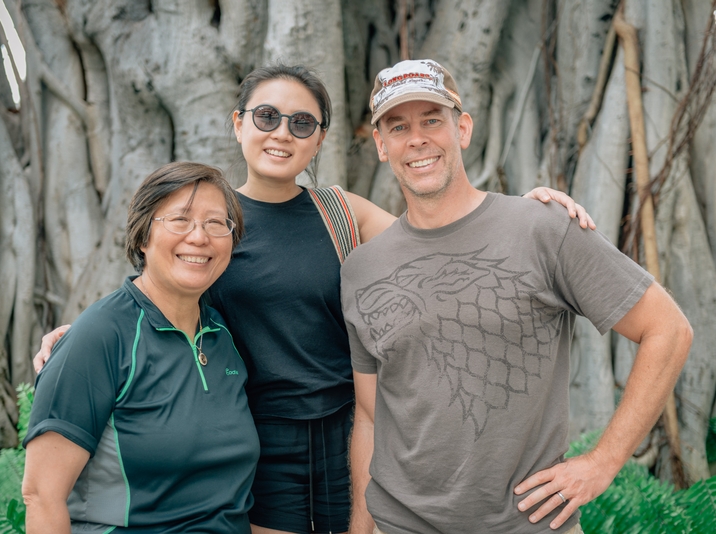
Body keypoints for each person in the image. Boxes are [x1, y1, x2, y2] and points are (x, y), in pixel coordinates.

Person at [33, 65, 596, 534]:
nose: (282, 133)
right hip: (253, 435)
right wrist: (75, 337)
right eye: (267, 117)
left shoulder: (339, 212)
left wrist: (523, 211)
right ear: (239, 124)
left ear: (320, 138)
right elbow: (154, 288)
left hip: (353, 432)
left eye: (302, 122)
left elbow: (437, 240)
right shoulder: (208, 221)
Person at [341, 59, 693, 534]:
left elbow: (667, 330)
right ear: (381, 145)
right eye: (398, 126)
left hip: (527, 524)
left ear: (462, 128)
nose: (417, 139)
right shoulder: (363, 270)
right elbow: (370, 414)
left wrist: (602, 463)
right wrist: (360, 528)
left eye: (432, 120)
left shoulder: (541, 227)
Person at [22, 162, 260, 533]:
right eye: (180, 219)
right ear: (143, 237)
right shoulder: (101, 336)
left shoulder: (223, 333)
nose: (199, 237)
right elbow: (41, 495)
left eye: (216, 223)